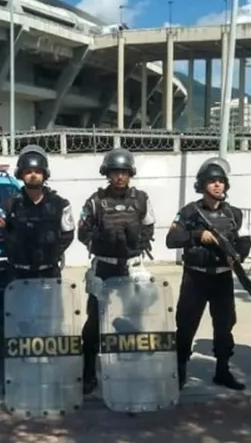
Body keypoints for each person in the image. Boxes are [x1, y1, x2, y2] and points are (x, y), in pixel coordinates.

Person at [166, 157, 250, 391]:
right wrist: (197, 235)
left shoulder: (234, 214)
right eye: (212, 181)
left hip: (222, 277)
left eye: (221, 181)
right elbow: (172, 239)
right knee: (186, 325)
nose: (217, 185)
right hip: (196, 277)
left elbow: (245, 241)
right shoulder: (190, 212)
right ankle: (180, 369)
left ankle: (222, 370)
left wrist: (239, 257)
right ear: (202, 185)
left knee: (224, 326)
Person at [77, 148, 155, 394]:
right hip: (104, 265)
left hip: (131, 266)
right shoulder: (95, 201)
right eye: (114, 172)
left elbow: (149, 227)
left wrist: (138, 242)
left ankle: (129, 368)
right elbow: (82, 232)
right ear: (107, 175)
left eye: (123, 172)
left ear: (130, 174)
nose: (119, 177)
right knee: (94, 322)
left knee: (133, 317)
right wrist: (99, 239)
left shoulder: (142, 199)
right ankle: (89, 371)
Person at [0, 145, 75, 279]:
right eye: (28, 171)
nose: (33, 175)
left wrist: (51, 254)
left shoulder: (60, 204)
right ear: (21, 174)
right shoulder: (9, 205)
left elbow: (68, 235)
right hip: (18, 274)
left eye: (37, 171)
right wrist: (16, 253)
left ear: (45, 174)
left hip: (49, 273)